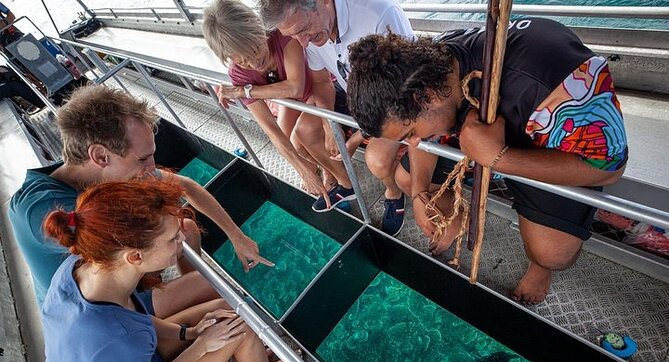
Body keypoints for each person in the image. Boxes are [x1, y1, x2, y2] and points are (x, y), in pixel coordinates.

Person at [346, 19, 628, 304]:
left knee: (553, 253)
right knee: (407, 179)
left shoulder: (557, 80)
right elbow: (425, 140)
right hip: (484, 142)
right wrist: (421, 194)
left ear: (427, 97)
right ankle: (452, 216)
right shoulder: (429, 67)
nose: (414, 143)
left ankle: (540, 269)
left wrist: (500, 159)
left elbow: (610, 168)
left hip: (544, 145)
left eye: (410, 133)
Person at [41, 178, 296, 362]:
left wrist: (190, 332)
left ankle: (243, 359)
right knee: (239, 327)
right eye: (173, 238)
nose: (183, 238)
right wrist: (201, 346)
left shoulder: (82, 268)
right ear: (135, 256)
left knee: (225, 309)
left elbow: (135, 318)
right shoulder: (117, 338)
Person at [9, 85, 272, 309]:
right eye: (143, 158)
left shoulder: (107, 173)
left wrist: (236, 236)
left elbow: (188, 187)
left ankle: (197, 305)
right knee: (222, 294)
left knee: (187, 229)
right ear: (100, 156)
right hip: (94, 311)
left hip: (118, 271)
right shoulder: (42, 210)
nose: (152, 167)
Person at [258, 0, 415, 235]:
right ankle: (345, 182)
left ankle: (393, 191)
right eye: (293, 36)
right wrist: (329, 123)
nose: (303, 42)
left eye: (302, 30)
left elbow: (403, 92)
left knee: (377, 159)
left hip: (396, 104)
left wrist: (353, 139)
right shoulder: (310, 34)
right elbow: (322, 82)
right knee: (304, 131)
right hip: (354, 96)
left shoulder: (380, 15)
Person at [202, 0, 354, 212]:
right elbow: (271, 131)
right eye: (243, 61)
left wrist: (246, 91)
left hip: (319, 89)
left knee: (301, 137)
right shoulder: (237, 74)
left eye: (255, 50)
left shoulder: (283, 34)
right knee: (289, 143)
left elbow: (295, 88)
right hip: (294, 101)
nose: (255, 64)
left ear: (260, 29)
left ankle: (345, 182)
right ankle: (324, 168)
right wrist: (303, 171)